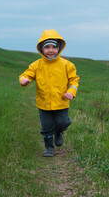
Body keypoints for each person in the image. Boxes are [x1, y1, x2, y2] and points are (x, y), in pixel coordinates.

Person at [19, 29, 79, 157]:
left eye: (54, 47)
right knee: (46, 127)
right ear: (41, 49)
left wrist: (71, 91)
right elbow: (26, 74)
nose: (51, 50)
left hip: (61, 102)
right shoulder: (36, 65)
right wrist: (24, 80)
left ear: (59, 48)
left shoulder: (67, 65)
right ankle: (49, 148)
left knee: (63, 122)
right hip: (44, 103)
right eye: (47, 47)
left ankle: (59, 131)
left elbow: (74, 81)